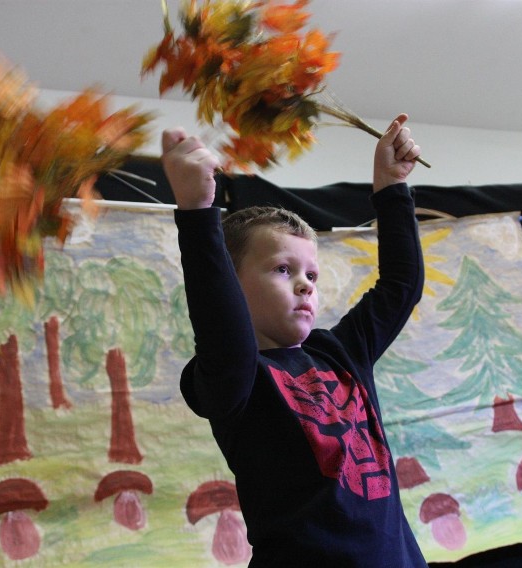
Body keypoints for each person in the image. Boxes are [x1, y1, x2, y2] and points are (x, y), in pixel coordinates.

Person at [161, 114, 428, 567]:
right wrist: (197, 213)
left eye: (312, 275)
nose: (306, 285)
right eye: (283, 270)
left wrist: (391, 187)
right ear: (231, 282)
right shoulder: (235, 381)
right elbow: (225, 341)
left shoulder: (340, 352)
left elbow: (401, 284)